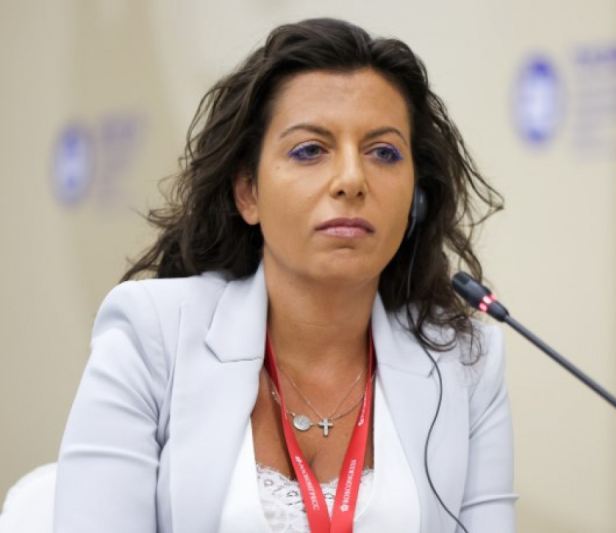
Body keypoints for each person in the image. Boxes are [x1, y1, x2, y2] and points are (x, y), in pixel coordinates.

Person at [53, 17, 516, 533]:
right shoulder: (151, 335)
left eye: (383, 153)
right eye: (310, 150)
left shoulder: (466, 360)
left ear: (416, 199)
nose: (351, 179)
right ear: (248, 193)